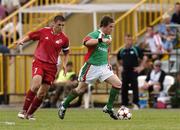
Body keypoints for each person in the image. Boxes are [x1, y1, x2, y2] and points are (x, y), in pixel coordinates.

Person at [58, 16, 122, 120]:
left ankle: (108, 108)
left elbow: (107, 50)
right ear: (104, 26)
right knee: (80, 89)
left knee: (118, 84)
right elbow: (86, 42)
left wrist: (108, 62)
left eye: (113, 27)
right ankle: (64, 105)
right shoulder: (95, 34)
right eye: (110, 27)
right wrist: (101, 40)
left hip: (103, 67)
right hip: (91, 67)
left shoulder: (108, 37)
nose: (112, 29)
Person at [15, 15, 70, 120]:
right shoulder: (44, 31)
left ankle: (29, 114)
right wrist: (22, 40)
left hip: (51, 67)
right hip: (39, 62)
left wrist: (64, 63)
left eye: (63, 25)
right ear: (54, 24)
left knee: (42, 93)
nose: (61, 27)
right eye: (59, 25)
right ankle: (23, 110)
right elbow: (31, 36)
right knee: (36, 85)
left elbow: (67, 52)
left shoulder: (64, 39)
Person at [117, 34, 147, 110]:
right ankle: (124, 104)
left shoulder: (136, 49)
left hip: (133, 71)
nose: (129, 41)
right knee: (124, 88)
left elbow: (144, 58)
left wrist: (141, 67)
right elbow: (118, 59)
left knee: (135, 88)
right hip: (125, 72)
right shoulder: (122, 50)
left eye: (130, 40)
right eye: (127, 39)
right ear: (124, 40)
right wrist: (120, 66)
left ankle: (136, 104)